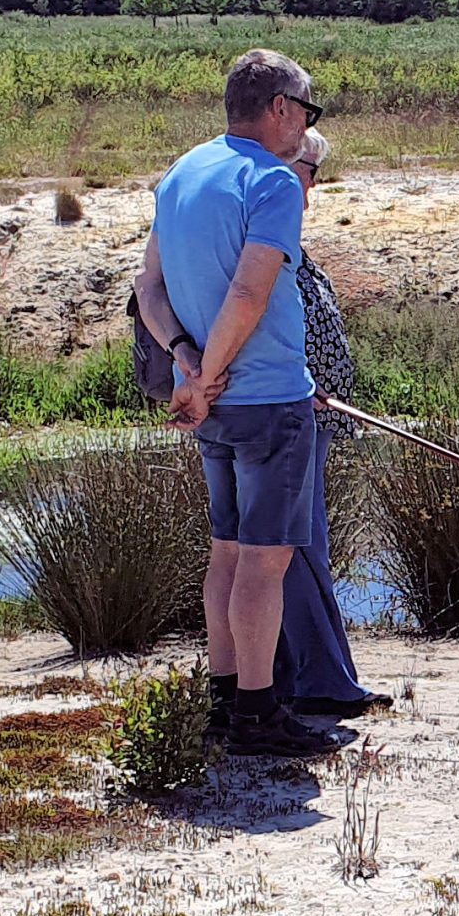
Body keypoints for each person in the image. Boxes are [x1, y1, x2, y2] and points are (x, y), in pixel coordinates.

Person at [131, 48, 337, 756]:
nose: (306, 127)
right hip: (270, 400)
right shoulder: (272, 182)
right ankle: (256, 711)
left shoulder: (182, 172)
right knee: (264, 561)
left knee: (226, 551)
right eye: (306, 113)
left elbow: (147, 288)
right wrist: (206, 372)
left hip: (211, 408)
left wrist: (186, 362)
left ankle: (224, 700)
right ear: (280, 108)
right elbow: (250, 293)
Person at [269, 128, 387, 719]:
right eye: (310, 172)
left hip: (311, 417)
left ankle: (316, 676)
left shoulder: (286, 235)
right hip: (292, 413)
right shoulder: (267, 236)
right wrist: (305, 390)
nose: (312, 189)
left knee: (304, 542)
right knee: (297, 545)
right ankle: (319, 682)